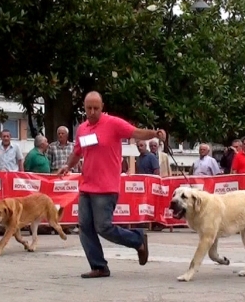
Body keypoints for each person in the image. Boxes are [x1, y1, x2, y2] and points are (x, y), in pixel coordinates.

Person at [57, 91, 167, 279]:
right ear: (84, 108)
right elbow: (77, 152)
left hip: (107, 187)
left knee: (103, 227)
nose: (92, 112)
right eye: (88, 108)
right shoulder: (82, 129)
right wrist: (68, 165)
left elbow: (136, 132)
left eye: (96, 108)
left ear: (102, 107)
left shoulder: (113, 123)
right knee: (85, 227)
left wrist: (155, 134)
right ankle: (99, 266)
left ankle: (137, 239)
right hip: (87, 186)